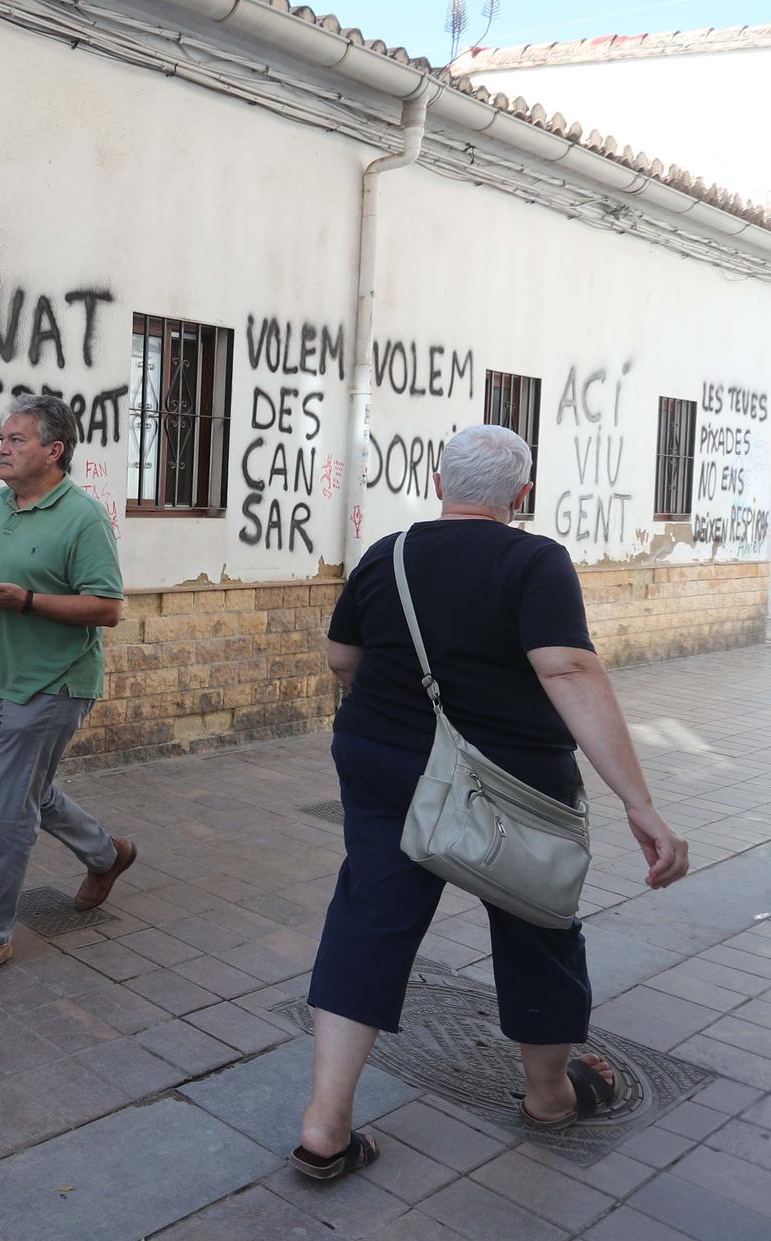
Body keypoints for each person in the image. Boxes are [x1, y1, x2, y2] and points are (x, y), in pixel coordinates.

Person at [292, 423, 690, 1179]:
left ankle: (323, 1127)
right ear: (522, 494)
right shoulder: (534, 559)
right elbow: (568, 668)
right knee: (536, 919)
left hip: (384, 765)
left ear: (439, 483)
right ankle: (548, 1097)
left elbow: (344, 658)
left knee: (368, 921)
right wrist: (640, 802)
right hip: (513, 781)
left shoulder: (390, 554)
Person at [0, 394, 137, 983]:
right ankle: (108, 854)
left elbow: (108, 608)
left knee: (6, 808)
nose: (2, 448)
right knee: (29, 791)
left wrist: (24, 600)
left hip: (55, 683)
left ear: (54, 451)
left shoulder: (83, 518)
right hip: (2, 674)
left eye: (17, 440)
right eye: (2, 438)